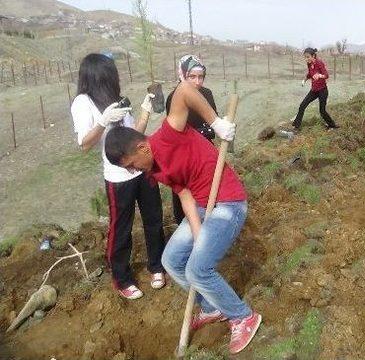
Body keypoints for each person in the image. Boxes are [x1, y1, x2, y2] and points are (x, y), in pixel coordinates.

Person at [104, 81, 262, 354]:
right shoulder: (154, 169)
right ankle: (213, 307)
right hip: (201, 205)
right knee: (171, 260)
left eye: (130, 166)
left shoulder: (169, 133)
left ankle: (243, 317)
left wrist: (216, 123)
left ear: (142, 148)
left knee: (198, 269)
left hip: (228, 202)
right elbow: (185, 193)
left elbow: (185, 90)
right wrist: (200, 232)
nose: (132, 172)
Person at [70, 53, 165, 300]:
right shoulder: (83, 102)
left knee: (153, 218)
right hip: (117, 177)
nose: (116, 78)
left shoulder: (117, 100)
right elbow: (84, 144)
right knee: (120, 228)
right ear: (99, 76)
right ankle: (121, 278)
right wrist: (102, 121)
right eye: (112, 74)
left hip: (141, 169)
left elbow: (134, 135)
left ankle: (156, 266)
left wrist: (144, 110)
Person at [166, 54, 218, 224]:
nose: (197, 82)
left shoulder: (207, 94)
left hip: (204, 155)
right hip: (183, 159)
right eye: (192, 77)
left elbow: (213, 127)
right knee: (185, 198)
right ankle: (184, 226)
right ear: (182, 75)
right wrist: (203, 131)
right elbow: (175, 135)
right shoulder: (173, 98)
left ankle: (207, 224)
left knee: (207, 195)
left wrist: (206, 130)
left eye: (200, 77)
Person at [291, 48, 339, 131]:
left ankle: (332, 125)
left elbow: (326, 75)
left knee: (322, 111)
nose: (306, 59)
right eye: (305, 57)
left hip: (322, 91)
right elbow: (310, 74)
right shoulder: (309, 64)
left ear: (313, 56)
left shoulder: (319, 63)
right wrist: (304, 80)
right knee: (302, 105)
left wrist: (319, 75)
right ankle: (296, 125)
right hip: (314, 90)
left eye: (308, 57)